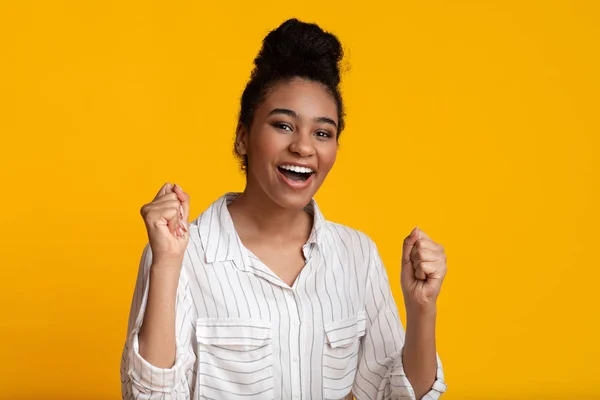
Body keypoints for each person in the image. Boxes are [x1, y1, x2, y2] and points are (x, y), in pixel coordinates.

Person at [120, 18, 448, 400]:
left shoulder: (357, 254)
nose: (304, 147)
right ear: (243, 138)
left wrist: (422, 309)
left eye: (322, 133)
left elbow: (398, 395)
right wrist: (166, 263)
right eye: (283, 125)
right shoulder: (180, 254)